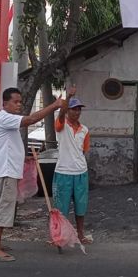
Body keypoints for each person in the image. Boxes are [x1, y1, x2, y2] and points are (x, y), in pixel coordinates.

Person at [0, 87, 65, 262]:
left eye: (20, 102)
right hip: (5, 171)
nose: (18, 105)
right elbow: (31, 119)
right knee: (3, 209)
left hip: (6, 170)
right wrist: (54, 105)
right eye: (15, 102)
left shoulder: (6, 119)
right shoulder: (5, 118)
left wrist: (24, 157)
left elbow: (9, 145)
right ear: (4, 103)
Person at [53, 85, 92, 245]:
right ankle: (59, 235)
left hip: (81, 172)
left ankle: (80, 234)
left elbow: (84, 151)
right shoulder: (61, 126)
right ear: (68, 110)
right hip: (63, 172)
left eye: (79, 109)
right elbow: (61, 114)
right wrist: (67, 98)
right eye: (73, 109)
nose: (76, 112)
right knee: (61, 207)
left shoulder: (84, 130)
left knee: (81, 207)